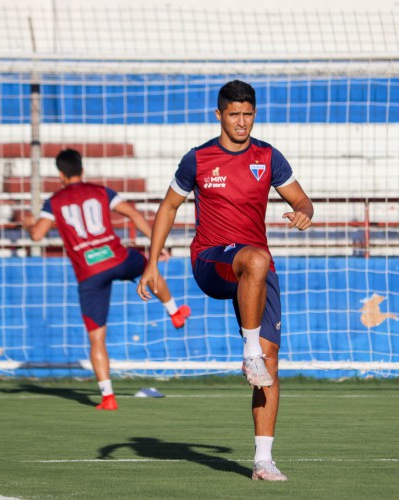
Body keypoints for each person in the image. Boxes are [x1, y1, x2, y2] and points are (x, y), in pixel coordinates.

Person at [137, 80, 313, 481]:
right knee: (255, 258)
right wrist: (152, 263)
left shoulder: (268, 157)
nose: (241, 121)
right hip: (211, 261)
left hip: (256, 268)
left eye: (248, 114)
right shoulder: (198, 159)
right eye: (233, 114)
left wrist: (306, 211)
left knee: (269, 362)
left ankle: (263, 461)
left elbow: (301, 199)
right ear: (219, 115)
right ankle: (249, 351)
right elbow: (168, 207)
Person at [23, 148, 190, 411]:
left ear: (60, 175)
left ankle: (108, 397)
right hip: (117, 258)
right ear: (82, 170)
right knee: (149, 266)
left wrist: (29, 224)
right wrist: (157, 247)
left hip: (89, 274)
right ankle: (174, 311)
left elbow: (36, 236)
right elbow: (134, 214)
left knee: (97, 339)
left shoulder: (53, 201)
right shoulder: (101, 191)